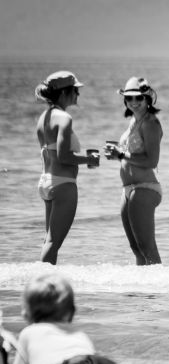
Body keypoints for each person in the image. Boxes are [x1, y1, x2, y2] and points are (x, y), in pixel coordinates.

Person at [11, 273, 169, 364]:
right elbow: (90, 363)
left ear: (27, 313)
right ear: (72, 311)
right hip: (95, 361)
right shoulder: (79, 334)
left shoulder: (28, 333)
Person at [34, 71, 100, 264]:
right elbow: (63, 156)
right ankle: (43, 285)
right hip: (63, 184)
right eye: (75, 91)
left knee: (49, 241)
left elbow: (50, 153)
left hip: (46, 182)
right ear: (64, 93)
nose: (77, 95)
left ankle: (45, 284)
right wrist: (89, 160)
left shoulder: (42, 118)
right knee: (53, 243)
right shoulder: (64, 118)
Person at [104, 77, 163, 265]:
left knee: (147, 248)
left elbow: (152, 161)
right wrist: (117, 155)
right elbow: (129, 154)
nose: (134, 102)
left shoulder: (150, 123)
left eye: (138, 98)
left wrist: (121, 155)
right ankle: (141, 292)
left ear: (148, 99)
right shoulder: (133, 122)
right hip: (128, 189)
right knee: (136, 249)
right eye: (129, 99)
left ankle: (157, 290)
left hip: (145, 188)